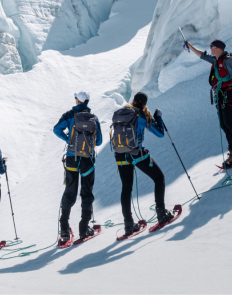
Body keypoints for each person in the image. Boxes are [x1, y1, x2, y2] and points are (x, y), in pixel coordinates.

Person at [186, 39, 232, 167]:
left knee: (229, 122)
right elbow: (202, 55)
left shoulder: (227, 61)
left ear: (217, 48)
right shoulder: (216, 60)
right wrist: (190, 46)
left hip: (229, 94)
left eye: (212, 46)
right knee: (224, 125)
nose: (211, 48)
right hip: (220, 95)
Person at [115, 92, 174, 234]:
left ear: (134, 100)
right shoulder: (141, 116)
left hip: (120, 156)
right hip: (137, 154)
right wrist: (158, 117)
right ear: (144, 103)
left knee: (126, 188)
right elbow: (160, 133)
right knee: (159, 178)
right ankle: (161, 214)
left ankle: (129, 225)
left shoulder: (121, 113)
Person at [53, 91, 103, 241]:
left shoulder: (69, 115)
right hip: (87, 159)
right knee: (87, 192)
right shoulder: (94, 118)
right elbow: (99, 141)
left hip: (71, 159)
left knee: (69, 192)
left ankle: (64, 230)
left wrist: (69, 139)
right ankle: (84, 228)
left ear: (77, 101)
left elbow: (56, 129)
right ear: (87, 102)